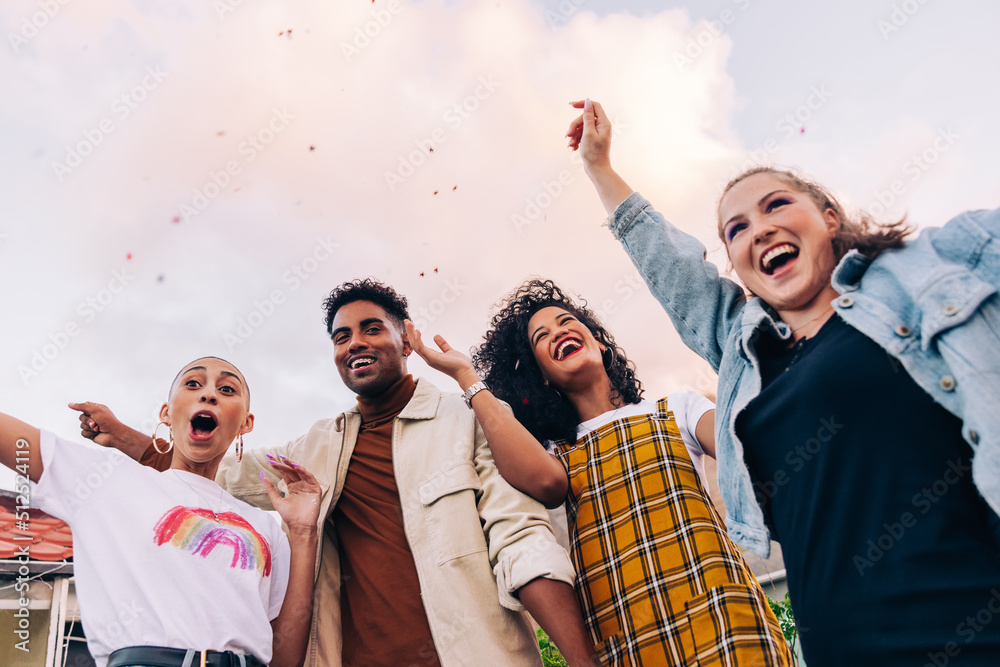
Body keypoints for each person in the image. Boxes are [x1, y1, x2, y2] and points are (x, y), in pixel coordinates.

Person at [566, 97, 1000, 665]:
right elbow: (672, 269)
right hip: (843, 646)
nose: (760, 229)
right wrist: (599, 166)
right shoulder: (746, 350)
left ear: (828, 216)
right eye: (737, 229)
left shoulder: (921, 269)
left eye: (777, 205)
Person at [75, 279, 597, 667]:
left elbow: (522, 542)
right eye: (341, 336)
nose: (354, 344)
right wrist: (125, 436)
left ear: (407, 341)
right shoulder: (317, 447)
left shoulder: (468, 421)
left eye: (372, 328)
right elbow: (213, 470)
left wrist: (582, 660)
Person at [410, 279, 792, 666]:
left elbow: (750, 457)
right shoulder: (551, 453)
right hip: (625, 641)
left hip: (730, 623)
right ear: (540, 375)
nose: (558, 332)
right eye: (542, 336)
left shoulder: (680, 408)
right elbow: (546, 484)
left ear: (601, 343)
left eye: (565, 322)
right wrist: (467, 378)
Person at [1, 356, 321, 667]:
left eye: (227, 389)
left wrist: (304, 532)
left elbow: (285, 658)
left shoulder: (264, 526)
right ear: (166, 413)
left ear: (245, 423)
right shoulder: (104, 481)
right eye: (193, 383)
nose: (209, 393)